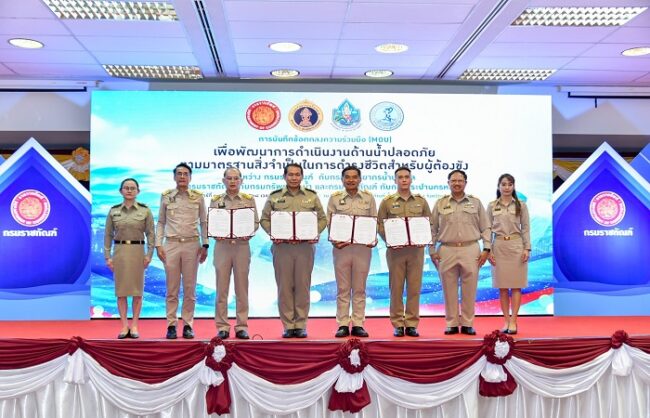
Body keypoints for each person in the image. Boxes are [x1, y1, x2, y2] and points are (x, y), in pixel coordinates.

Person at [260, 163, 327, 338]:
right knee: (284, 287)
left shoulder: (311, 196)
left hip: (305, 247)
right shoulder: (275, 197)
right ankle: (288, 325)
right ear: (285, 176)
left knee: (303, 286)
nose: (294, 177)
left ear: (302, 176)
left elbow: (322, 219)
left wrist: (315, 232)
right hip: (282, 247)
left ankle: (301, 324)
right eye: (290, 174)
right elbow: (264, 219)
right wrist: (273, 233)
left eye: (297, 174)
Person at [430, 170, 491, 336]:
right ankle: (451, 323)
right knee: (448, 288)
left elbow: (486, 227)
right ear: (448, 183)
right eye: (453, 181)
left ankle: (467, 323)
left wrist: (486, 248)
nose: (457, 183)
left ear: (465, 183)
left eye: (460, 180)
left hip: (470, 249)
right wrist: (432, 250)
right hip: (446, 250)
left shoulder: (475, 202)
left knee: (469, 288)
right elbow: (432, 228)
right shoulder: (440, 203)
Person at [377, 166, 432, 337]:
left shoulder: (421, 201)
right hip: (396, 251)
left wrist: (424, 239)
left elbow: (429, 223)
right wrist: (390, 240)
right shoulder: (387, 202)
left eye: (406, 177)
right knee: (396, 288)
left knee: (414, 288)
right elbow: (380, 224)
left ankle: (412, 323)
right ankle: (398, 323)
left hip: (416, 251)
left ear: (411, 179)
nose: (403, 180)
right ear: (395, 180)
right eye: (400, 177)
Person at [156, 163, 208, 339]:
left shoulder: (198, 197)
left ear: (190, 177)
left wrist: (205, 244)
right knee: (172, 288)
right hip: (171, 245)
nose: (182, 177)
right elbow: (161, 222)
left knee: (189, 288)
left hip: (192, 245)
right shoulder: (166, 197)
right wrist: (158, 244)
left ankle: (187, 325)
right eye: (179, 174)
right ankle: (171, 324)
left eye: (186, 174)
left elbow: (204, 222)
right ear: (174, 177)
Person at [327, 166, 377, 338]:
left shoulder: (368, 198)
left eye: (354, 177)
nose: (351, 180)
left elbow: (374, 220)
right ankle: (342, 323)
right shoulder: (335, 198)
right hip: (342, 248)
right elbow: (330, 222)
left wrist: (372, 237)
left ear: (360, 179)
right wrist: (335, 239)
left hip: (363, 248)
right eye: (347, 177)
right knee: (343, 288)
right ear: (342, 180)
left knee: (359, 288)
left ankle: (358, 323)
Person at [210, 168, 258, 340]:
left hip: (241, 246)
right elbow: (210, 222)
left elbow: (255, 222)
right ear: (223, 181)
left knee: (241, 288)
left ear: (241, 181)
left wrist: (249, 232)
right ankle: (222, 326)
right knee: (221, 289)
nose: (232, 181)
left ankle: (241, 326)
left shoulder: (248, 199)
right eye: (229, 178)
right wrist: (215, 232)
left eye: (236, 178)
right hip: (222, 246)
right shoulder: (216, 200)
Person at [104, 178, 155, 339]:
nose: (129, 190)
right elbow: (108, 235)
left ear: (138, 191)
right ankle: (124, 325)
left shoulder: (145, 211)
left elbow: (151, 234)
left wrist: (149, 255)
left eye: (133, 188)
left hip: (138, 252)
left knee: (137, 292)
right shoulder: (113, 211)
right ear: (121, 191)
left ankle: (134, 325)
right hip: (119, 252)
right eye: (126, 188)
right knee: (121, 292)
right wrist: (108, 256)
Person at [487, 174, 531, 335]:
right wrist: (488, 250)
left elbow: (525, 228)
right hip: (499, 246)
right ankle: (506, 320)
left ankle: (514, 320)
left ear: (513, 186)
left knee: (516, 285)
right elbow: (487, 229)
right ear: (498, 186)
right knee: (503, 287)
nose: (507, 187)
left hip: (516, 246)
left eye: (510, 184)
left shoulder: (521, 205)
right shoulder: (492, 206)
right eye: (504, 184)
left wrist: (527, 248)